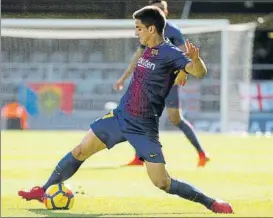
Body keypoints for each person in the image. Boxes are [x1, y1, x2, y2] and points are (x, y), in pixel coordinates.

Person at [18, 6, 233, 214]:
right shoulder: (148, 49)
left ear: (151, 29)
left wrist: (195, 61)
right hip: (120, 117)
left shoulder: (169, 52)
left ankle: (211, 203)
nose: (136, 31)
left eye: (139, 27)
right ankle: (43, 190)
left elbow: (200, 72)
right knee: (80, 150)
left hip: (144, 128)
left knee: (162, 182)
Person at [114, 0, 209, 167]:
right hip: (151, 81)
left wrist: (181, 73)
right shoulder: (147, 31)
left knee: (175, 119)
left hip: (169, 82)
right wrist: (123, 77)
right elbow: (138, 56)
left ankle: (201, 153)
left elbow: (184, 56)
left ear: (166, 12)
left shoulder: (173, 31)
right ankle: (140, 157)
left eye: (159, 10)